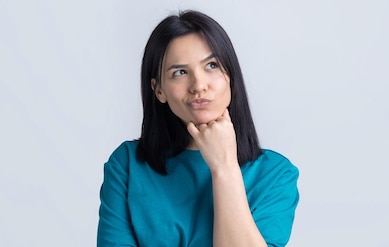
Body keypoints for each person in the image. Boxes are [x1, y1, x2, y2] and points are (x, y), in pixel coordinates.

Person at [97, 10, 300, 247]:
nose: (199, 85)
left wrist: (224, 168)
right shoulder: (128, 165)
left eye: (212, 65)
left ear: (230, 77)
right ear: (158, 89)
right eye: (180, 72)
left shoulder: (276, 174)